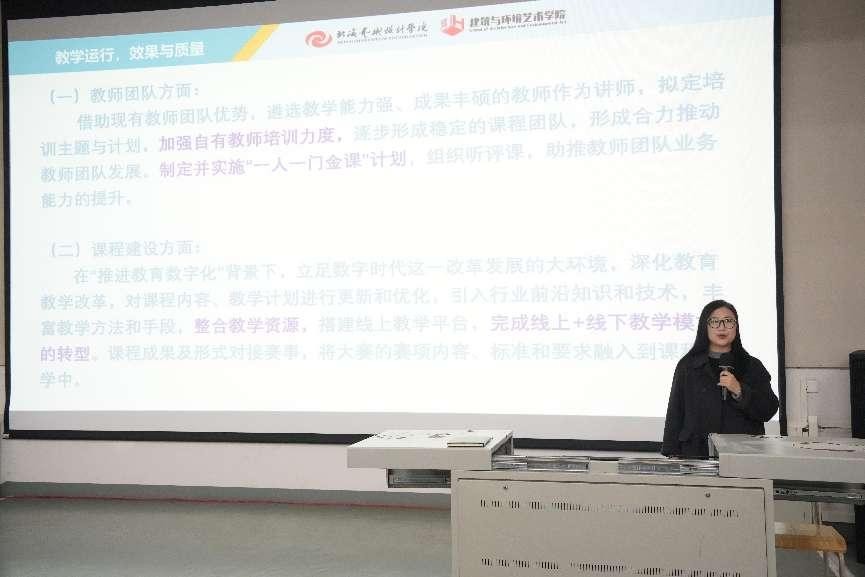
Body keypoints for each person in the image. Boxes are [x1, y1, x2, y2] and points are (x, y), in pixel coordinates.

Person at [661, 299, 779, 458]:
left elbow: (769, 409)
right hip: (697, 453)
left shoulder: (752, 365)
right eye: (715, 321)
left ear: (736, 327)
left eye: (728, 321)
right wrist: (672, 453)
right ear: (705, 327)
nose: (722, 327)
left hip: (743, 455)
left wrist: (739, 391)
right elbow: (675, 412)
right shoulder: (688, 366)